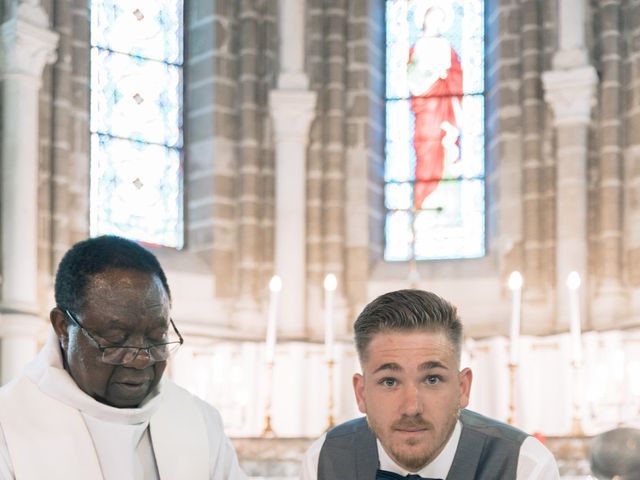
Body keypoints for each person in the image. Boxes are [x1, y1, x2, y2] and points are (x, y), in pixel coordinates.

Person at [0, 235, 247, 479]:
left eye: (155, 336)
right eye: (116, 338)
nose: (140, 360)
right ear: (63, 327)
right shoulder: (7, 424)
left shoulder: (199, 421)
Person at [301, 289, 560, 479]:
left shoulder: (524, 465)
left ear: (462, 388)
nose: (411, 407)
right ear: (361, 393)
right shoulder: (324, 460)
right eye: (389, 381)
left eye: (432, 379)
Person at [407, 4, 463, 209]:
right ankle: (422, 202)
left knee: (445, 149)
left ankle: (444, 204)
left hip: (444, 109)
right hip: (425, 109)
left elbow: (457, 78)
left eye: (440, 19)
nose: (436, 23)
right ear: (424, 20)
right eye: (433, 18)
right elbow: (411, 79)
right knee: (427, 150)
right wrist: (431, 75)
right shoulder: (416, 48)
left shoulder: (447, 48)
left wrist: (446, 74)